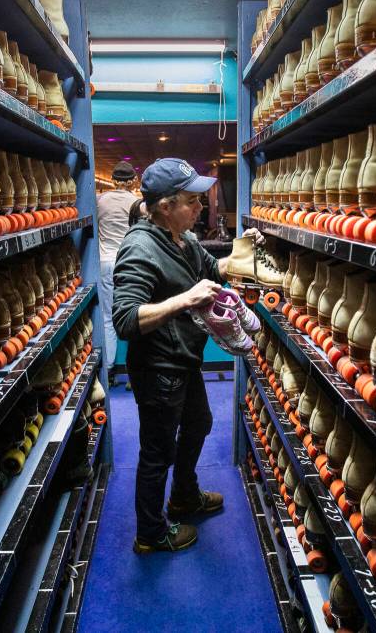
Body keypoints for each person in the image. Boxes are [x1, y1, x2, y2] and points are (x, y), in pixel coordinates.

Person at [112, 157, 263, 553]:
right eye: (192, 201)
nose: (200, 208)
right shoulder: (140, 248)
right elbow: (126, 319)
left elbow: (215, 270)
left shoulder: (185, 241)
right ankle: (150, 533)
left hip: (183, 358)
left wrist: (242, 252)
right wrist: (184, 299)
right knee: (157, 450)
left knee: (199, 422)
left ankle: (183, 495)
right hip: (158, 365)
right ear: (165, 206)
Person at [96, 161, 140, 386]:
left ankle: (109, 371)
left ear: (112, 180)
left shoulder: (99, 200)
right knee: (135, 314)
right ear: (133, 180)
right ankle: (134, 374)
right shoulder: (136, 202)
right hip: (129, 262)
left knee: (107, 318)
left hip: (105, 262)